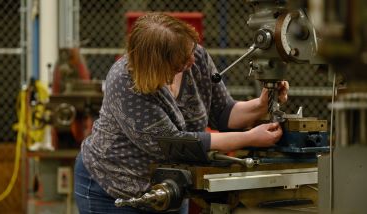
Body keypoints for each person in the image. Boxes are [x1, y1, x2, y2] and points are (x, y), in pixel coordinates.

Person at [74, 12, 289, 214]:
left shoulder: (195, 57)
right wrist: (249, 138)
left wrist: (260, 105)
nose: (192, 61)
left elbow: (224, 112)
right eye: (182, 61)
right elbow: (174, 143)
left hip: (171, 187)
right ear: (158, 65)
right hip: (114, 188)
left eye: (191, 51)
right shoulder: (125, 81)